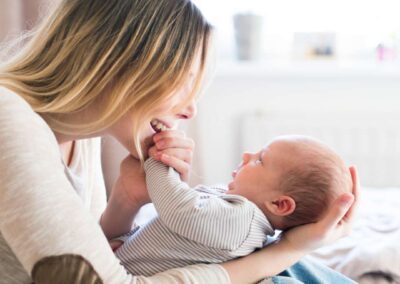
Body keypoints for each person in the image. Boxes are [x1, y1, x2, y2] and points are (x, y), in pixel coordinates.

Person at [0, 0, 358, 283]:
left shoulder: (81, 135)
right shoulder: (10, 120)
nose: (190, 111)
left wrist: (125, 200)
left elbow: (87, 259)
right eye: (183, 82)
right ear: (124, 67)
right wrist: (287, 250)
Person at [112, 135, 353, 276]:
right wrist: (126, 241)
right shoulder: (237, 206)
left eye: (260, 160)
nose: (248, 155)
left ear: (279, 204)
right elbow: (167, 236)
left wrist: (158, 161)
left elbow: (179, 209)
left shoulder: (241, 223)